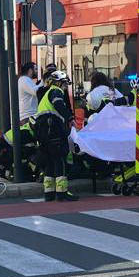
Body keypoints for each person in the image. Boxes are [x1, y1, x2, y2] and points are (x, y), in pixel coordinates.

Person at [33, 67, 78, 201]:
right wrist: (70, 118)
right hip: (52, 129)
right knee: (60, 160)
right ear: (58, 83)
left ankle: (49, 193)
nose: (65, 87)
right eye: (64, 84)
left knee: (49, 162)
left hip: (43, 131)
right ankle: (62, 192)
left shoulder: (45, 95)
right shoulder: (55, 91)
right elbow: (58, 105)